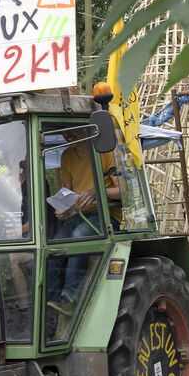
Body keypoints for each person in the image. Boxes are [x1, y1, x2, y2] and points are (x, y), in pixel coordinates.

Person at [47, 126, 118, 317]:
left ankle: (69, 297)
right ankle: (50, 302)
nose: (67, 133)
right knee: (53, 245)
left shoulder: (105, 152)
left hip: (107, 216)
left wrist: (97, 192)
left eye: (73, 129)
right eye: (64, 130)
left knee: (78, 235)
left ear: (88, 129)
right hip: (80, 215)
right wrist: (65, 210)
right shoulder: (67, 156)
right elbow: (68, 193)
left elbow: (123, 191)